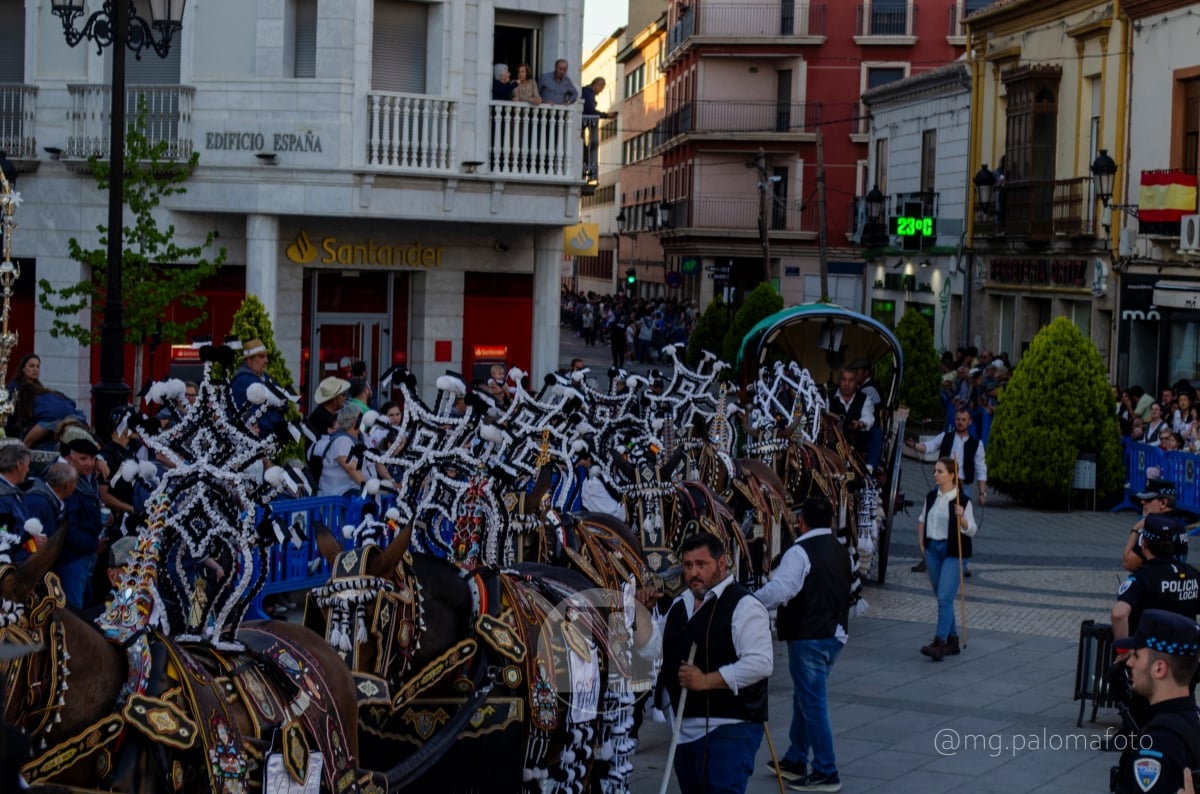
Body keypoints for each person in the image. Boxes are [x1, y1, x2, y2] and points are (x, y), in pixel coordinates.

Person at [654, 532, 772, 794]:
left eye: (701, 564)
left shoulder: (744, 606)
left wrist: (706, 680)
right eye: (688, 565)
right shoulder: (679, 604)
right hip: (684, 729)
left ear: (721, 564)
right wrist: (640, 613)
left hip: (728, 729)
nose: (693, 572)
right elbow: (652, 647)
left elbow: (761, 663)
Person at [754, 495, 851, 791]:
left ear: (801, 521)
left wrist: (750, 601)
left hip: (808, 636)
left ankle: (826, 769)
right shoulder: (841, 549)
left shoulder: (799, 552)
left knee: (812, 703)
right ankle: (796, 758)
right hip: (835, 633)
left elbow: (781, 589)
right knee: (805, 699)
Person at [1111, 610, 1200, 794]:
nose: (1129, 663)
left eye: (1136, 655)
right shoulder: (1194, 721)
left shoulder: (1156, 746)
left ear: (1159, 668)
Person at [915, 457, 977, 661]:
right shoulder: (931, 496)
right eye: (935, 471)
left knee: (943, 597)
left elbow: (972, 530)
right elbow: (922, 519)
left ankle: (939, 642)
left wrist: (963, 519)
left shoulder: (962, 501)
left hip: (953, 552)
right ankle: (953, 640)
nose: (935, 474)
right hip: (933, 550)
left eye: (940, 471)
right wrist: (922, 545)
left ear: (951, 475)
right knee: (944, 598)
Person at [1123, 480, 1188, 571]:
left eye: (1148, 499)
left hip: (1155, 579)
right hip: (1175, 577)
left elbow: (1129, 563)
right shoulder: (1180, 526)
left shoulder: (1154, 527)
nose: (1142, 502)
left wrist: (1135, 529)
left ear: (1163, 503)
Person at [230, 339, 286, 436]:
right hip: (254, 438)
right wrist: (279, 413)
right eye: (261, 357)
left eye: (266, 356)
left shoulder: (263, 376)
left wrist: (280, 406)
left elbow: (284, 401)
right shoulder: (244, 380)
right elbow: (261, 418)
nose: (266, 360)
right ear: (249, 360)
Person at [316, 405, 367, 497]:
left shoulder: (357, 439)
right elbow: (351, 469)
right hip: (338, 498)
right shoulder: (342, 441)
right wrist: (368, 489)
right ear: (354, 423)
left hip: (350, 495)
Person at [828, 368, 874, 460]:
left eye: (851, 380)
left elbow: (868, 418)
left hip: (857, 451)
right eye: (843, 380)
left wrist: (860, 424)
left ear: (856, 383)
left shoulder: (865, 399)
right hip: (831, 449)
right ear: (839, 381)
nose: (847, 384)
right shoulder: (828, 397)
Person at [581, 77, 617, 181]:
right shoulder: (587, 92)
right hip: (581, 125)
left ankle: (586, 167)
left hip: (582, 125)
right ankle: (586, 168)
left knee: (587, 147)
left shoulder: (587, 92)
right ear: (597, 84)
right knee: (588, 146)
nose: (601, 91)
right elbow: (590, 111)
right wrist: (606, 115)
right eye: (601, 88)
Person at [0, 442, 29, 522]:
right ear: (19, 465)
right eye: (27, 465)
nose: (28, 469)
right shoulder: (3, 496)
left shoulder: (12, 490)